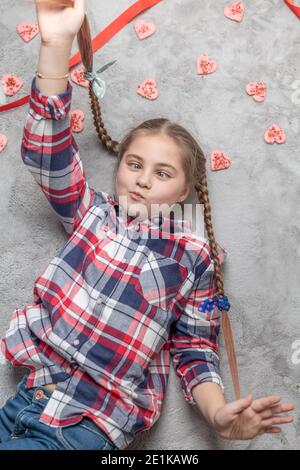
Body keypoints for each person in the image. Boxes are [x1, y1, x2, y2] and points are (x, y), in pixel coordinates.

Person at [0, 0, 294, 450]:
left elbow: (196, 348)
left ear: (184, 192)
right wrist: (55, 43)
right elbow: (47, 153)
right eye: (134, 164)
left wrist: (218, 414)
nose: (141, 178)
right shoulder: (91, 211)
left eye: (162, 173)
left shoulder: (195, 255)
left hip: (87, 425)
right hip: (26, 399)